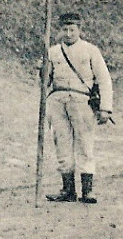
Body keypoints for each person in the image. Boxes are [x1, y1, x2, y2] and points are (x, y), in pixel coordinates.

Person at [45, 12, 114, 204]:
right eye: (64, 29)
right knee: (62, 143)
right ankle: (68, 190)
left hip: (81, 102)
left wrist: (106, 108)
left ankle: (87, 191)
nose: (68, 33)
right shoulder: (52, 52)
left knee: (84, 143)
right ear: (60, 30)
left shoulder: (90, 50)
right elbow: (45, 81)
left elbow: (104, 79)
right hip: (57, 100)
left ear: (79, 30)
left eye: (72, 29)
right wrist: (41, 71)